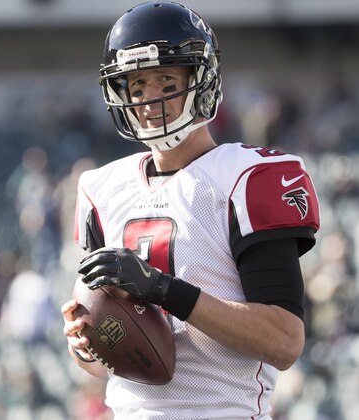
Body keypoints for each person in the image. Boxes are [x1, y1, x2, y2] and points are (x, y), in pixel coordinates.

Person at [60, 2, 320, 419]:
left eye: (165, 80)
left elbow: (284, 341)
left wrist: (163, 289)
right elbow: (100, 365)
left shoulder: (247, 177)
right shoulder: (100, 188)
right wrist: (87, 342)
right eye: (137, 85)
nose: (149, 99)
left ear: (202, 82)